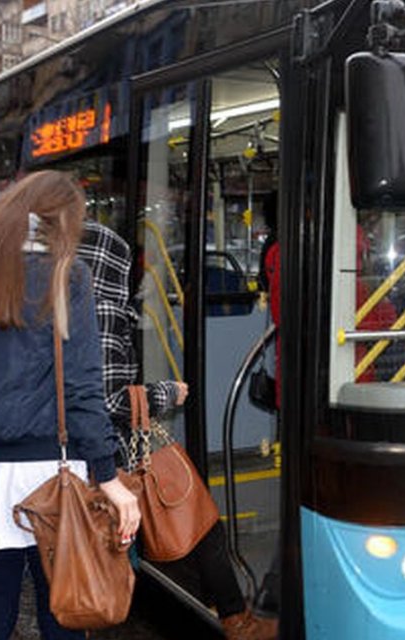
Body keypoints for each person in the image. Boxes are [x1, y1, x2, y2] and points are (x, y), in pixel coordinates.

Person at [0, 171, 140, 640]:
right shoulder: (64, 274)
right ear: (63, 220)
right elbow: (83, 388)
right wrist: (110, 479)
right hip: (48, 475)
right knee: (64, 614)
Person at [76, 219, 277, 640]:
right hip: (106, 458)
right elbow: (109, 400)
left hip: (82, 457)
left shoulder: (62, 310)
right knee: (190, 522)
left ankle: (233, 616)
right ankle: (235, 620)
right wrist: (168, 393)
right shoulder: (105, 314)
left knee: (187, 527)